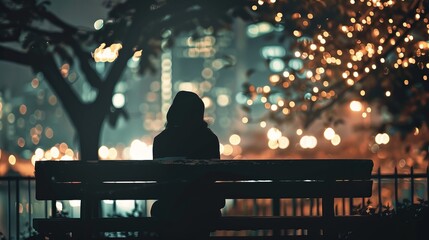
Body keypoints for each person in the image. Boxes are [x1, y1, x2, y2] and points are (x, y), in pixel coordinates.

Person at [151, 91, 224, 239]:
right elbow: (213, 176)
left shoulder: (160, 141)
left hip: (169, 213)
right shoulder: (210, 139)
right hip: (203, 213)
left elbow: (160, 180)